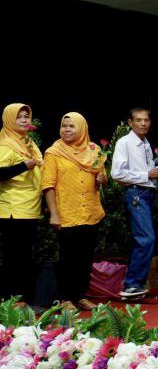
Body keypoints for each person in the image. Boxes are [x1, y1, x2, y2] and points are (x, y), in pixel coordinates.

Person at [41, 112, 107, 311]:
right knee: (68, 258)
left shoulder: (94, 150)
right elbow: (48, 185)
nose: (66, 130)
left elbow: (101, 177)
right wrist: (54, 214)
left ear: (82, 128)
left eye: (71, 126)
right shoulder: (53, 152)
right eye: (64, 126)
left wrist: (101, 179)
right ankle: (65, 298)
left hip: (91, 212)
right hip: (67, 212)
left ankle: (80, 296)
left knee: (85, 257)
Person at [110, 107, 158, 299]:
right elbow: (117, 174)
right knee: (145, 238)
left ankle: (135, 286)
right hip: (136, 194)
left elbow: (146, 171)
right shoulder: (124, 142)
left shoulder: (145, 143)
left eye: (146, 120)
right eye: (138, 120)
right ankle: (132, 285)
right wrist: (146, 175)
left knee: (144, 238)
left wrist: (156, 170)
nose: (143, 123)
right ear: (130, 122)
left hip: (146, 193)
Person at [0, 104, 43, 306]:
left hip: (30, 207)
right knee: (14, 257)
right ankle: (11, 300)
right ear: (9, 119)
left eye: (27, 116)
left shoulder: (28, 142)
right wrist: (23, 166)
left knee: (24, 255)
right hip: (13, 208)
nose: (25, 120)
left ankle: (22, 300)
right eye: (19, 117)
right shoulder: (5, 144)